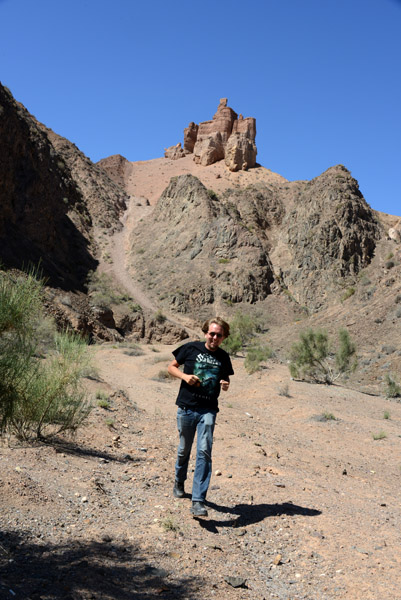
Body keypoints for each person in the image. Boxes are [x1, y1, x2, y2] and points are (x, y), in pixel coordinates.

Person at [168, 317, 234, 517]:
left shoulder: (224, 357)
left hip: (208, 410)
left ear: (224, 337)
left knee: (204, 452)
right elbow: (171, 367)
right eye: (212, 333)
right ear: (206, 333)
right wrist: (185, 377)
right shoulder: (190, 348)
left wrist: (225, 384)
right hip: (187, 408)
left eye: (219, 335)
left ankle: (198, 501)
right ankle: (179, 481)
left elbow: (225, 377)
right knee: (183, 450)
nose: (214, 337)